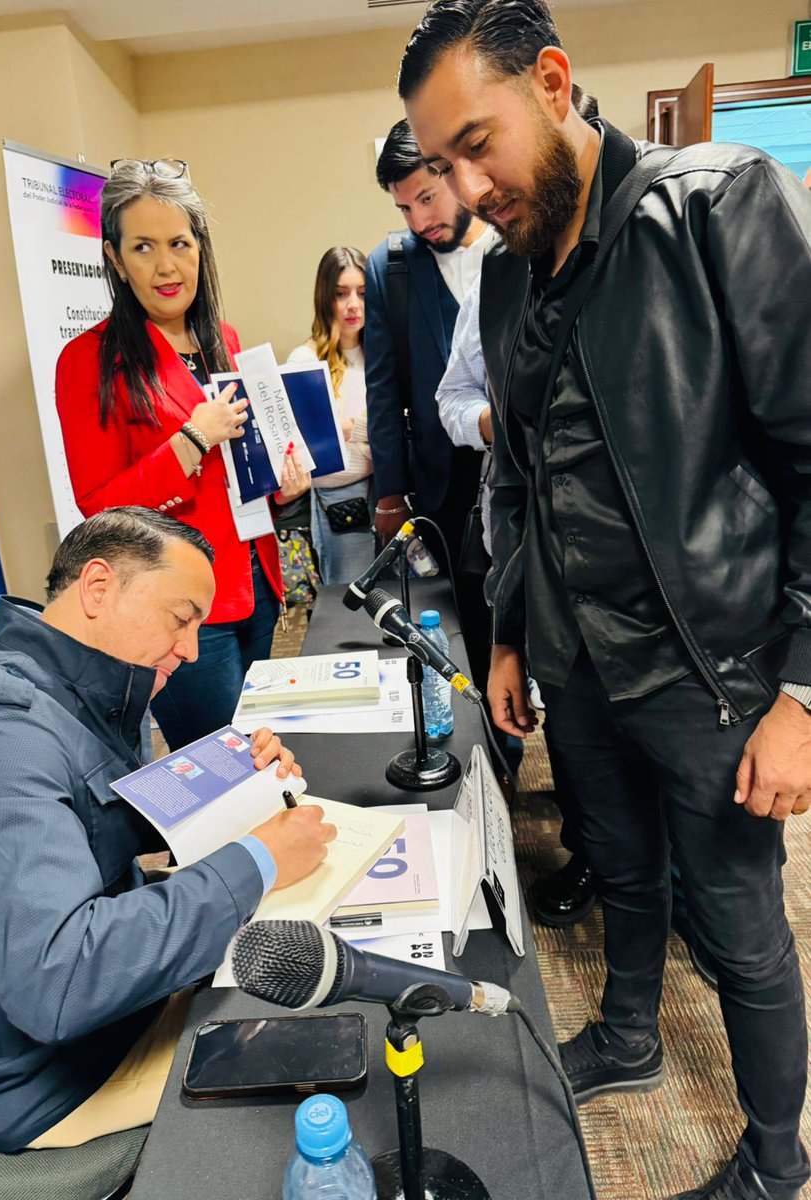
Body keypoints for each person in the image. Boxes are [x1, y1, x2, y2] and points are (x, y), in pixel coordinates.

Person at [399, 4, 811, 1199]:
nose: (468, 189)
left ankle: (778, 1162)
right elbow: (518, 473)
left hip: (709, 665)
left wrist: (801, 692)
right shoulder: (505, 278)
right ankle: (629, 1037)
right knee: (622, 872)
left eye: (479, 145)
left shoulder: (717, 207)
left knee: (738, 924)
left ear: (554, 80)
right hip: (578, 664)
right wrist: (512, 634)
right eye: (444, 165)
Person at [0, 507, 336, 1153]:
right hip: (51, 1076)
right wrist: (259, 859)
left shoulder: (73, 674)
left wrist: (235, 791)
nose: (192, 650)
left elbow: (91, 813)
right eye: (181, 618)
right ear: (99, 586)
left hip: (116, 1005)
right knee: (330, 1047)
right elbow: (58, 982)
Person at [56, 158, 310, 753]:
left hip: (254, 580)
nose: (167, 266)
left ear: (200, 249)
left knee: (261, 744)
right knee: (222, 761)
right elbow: (100, 511)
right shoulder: (88, 361)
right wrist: (190, 440)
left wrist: (281, 486)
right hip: (176, 605)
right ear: (116, 260)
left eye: (179, 243)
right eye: (143, 247)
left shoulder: (223, 338)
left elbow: (238, 465)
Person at [366, 118, 498, 686]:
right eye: (404, 208)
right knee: (462, 621)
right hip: (442, 485)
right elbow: (382, 390)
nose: (419, 221)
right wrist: (390, 493)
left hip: (522, 473)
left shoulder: (515, 244)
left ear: (455, 172)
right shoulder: (391, 267)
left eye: (426, 197)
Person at [287, 247, 375, 585]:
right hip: (340, 500)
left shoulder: (381, 354)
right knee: (351, 600)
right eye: (341, 294)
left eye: (362, 293)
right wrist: (371, 433)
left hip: (389, 492)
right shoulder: (304, 362)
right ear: (325, 298)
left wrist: (351, 427)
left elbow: (401, 422)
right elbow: (318, 455)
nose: (353, 304)